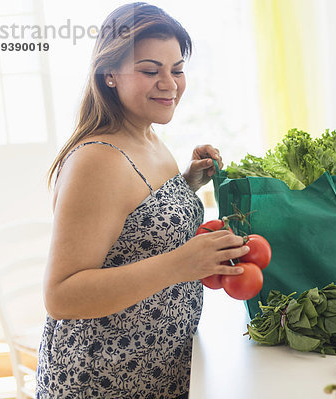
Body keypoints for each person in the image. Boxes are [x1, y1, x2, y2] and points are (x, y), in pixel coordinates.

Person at [36, 3, 246, 398]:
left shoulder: (147, 136)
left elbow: (133, 225)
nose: (169, 83)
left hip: (161, 367)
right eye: (150, 70)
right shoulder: (96, 159)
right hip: (105, 381)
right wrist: (181, 264)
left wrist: (186, 183)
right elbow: (61, 295)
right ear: (109, 74)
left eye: (177, 69)